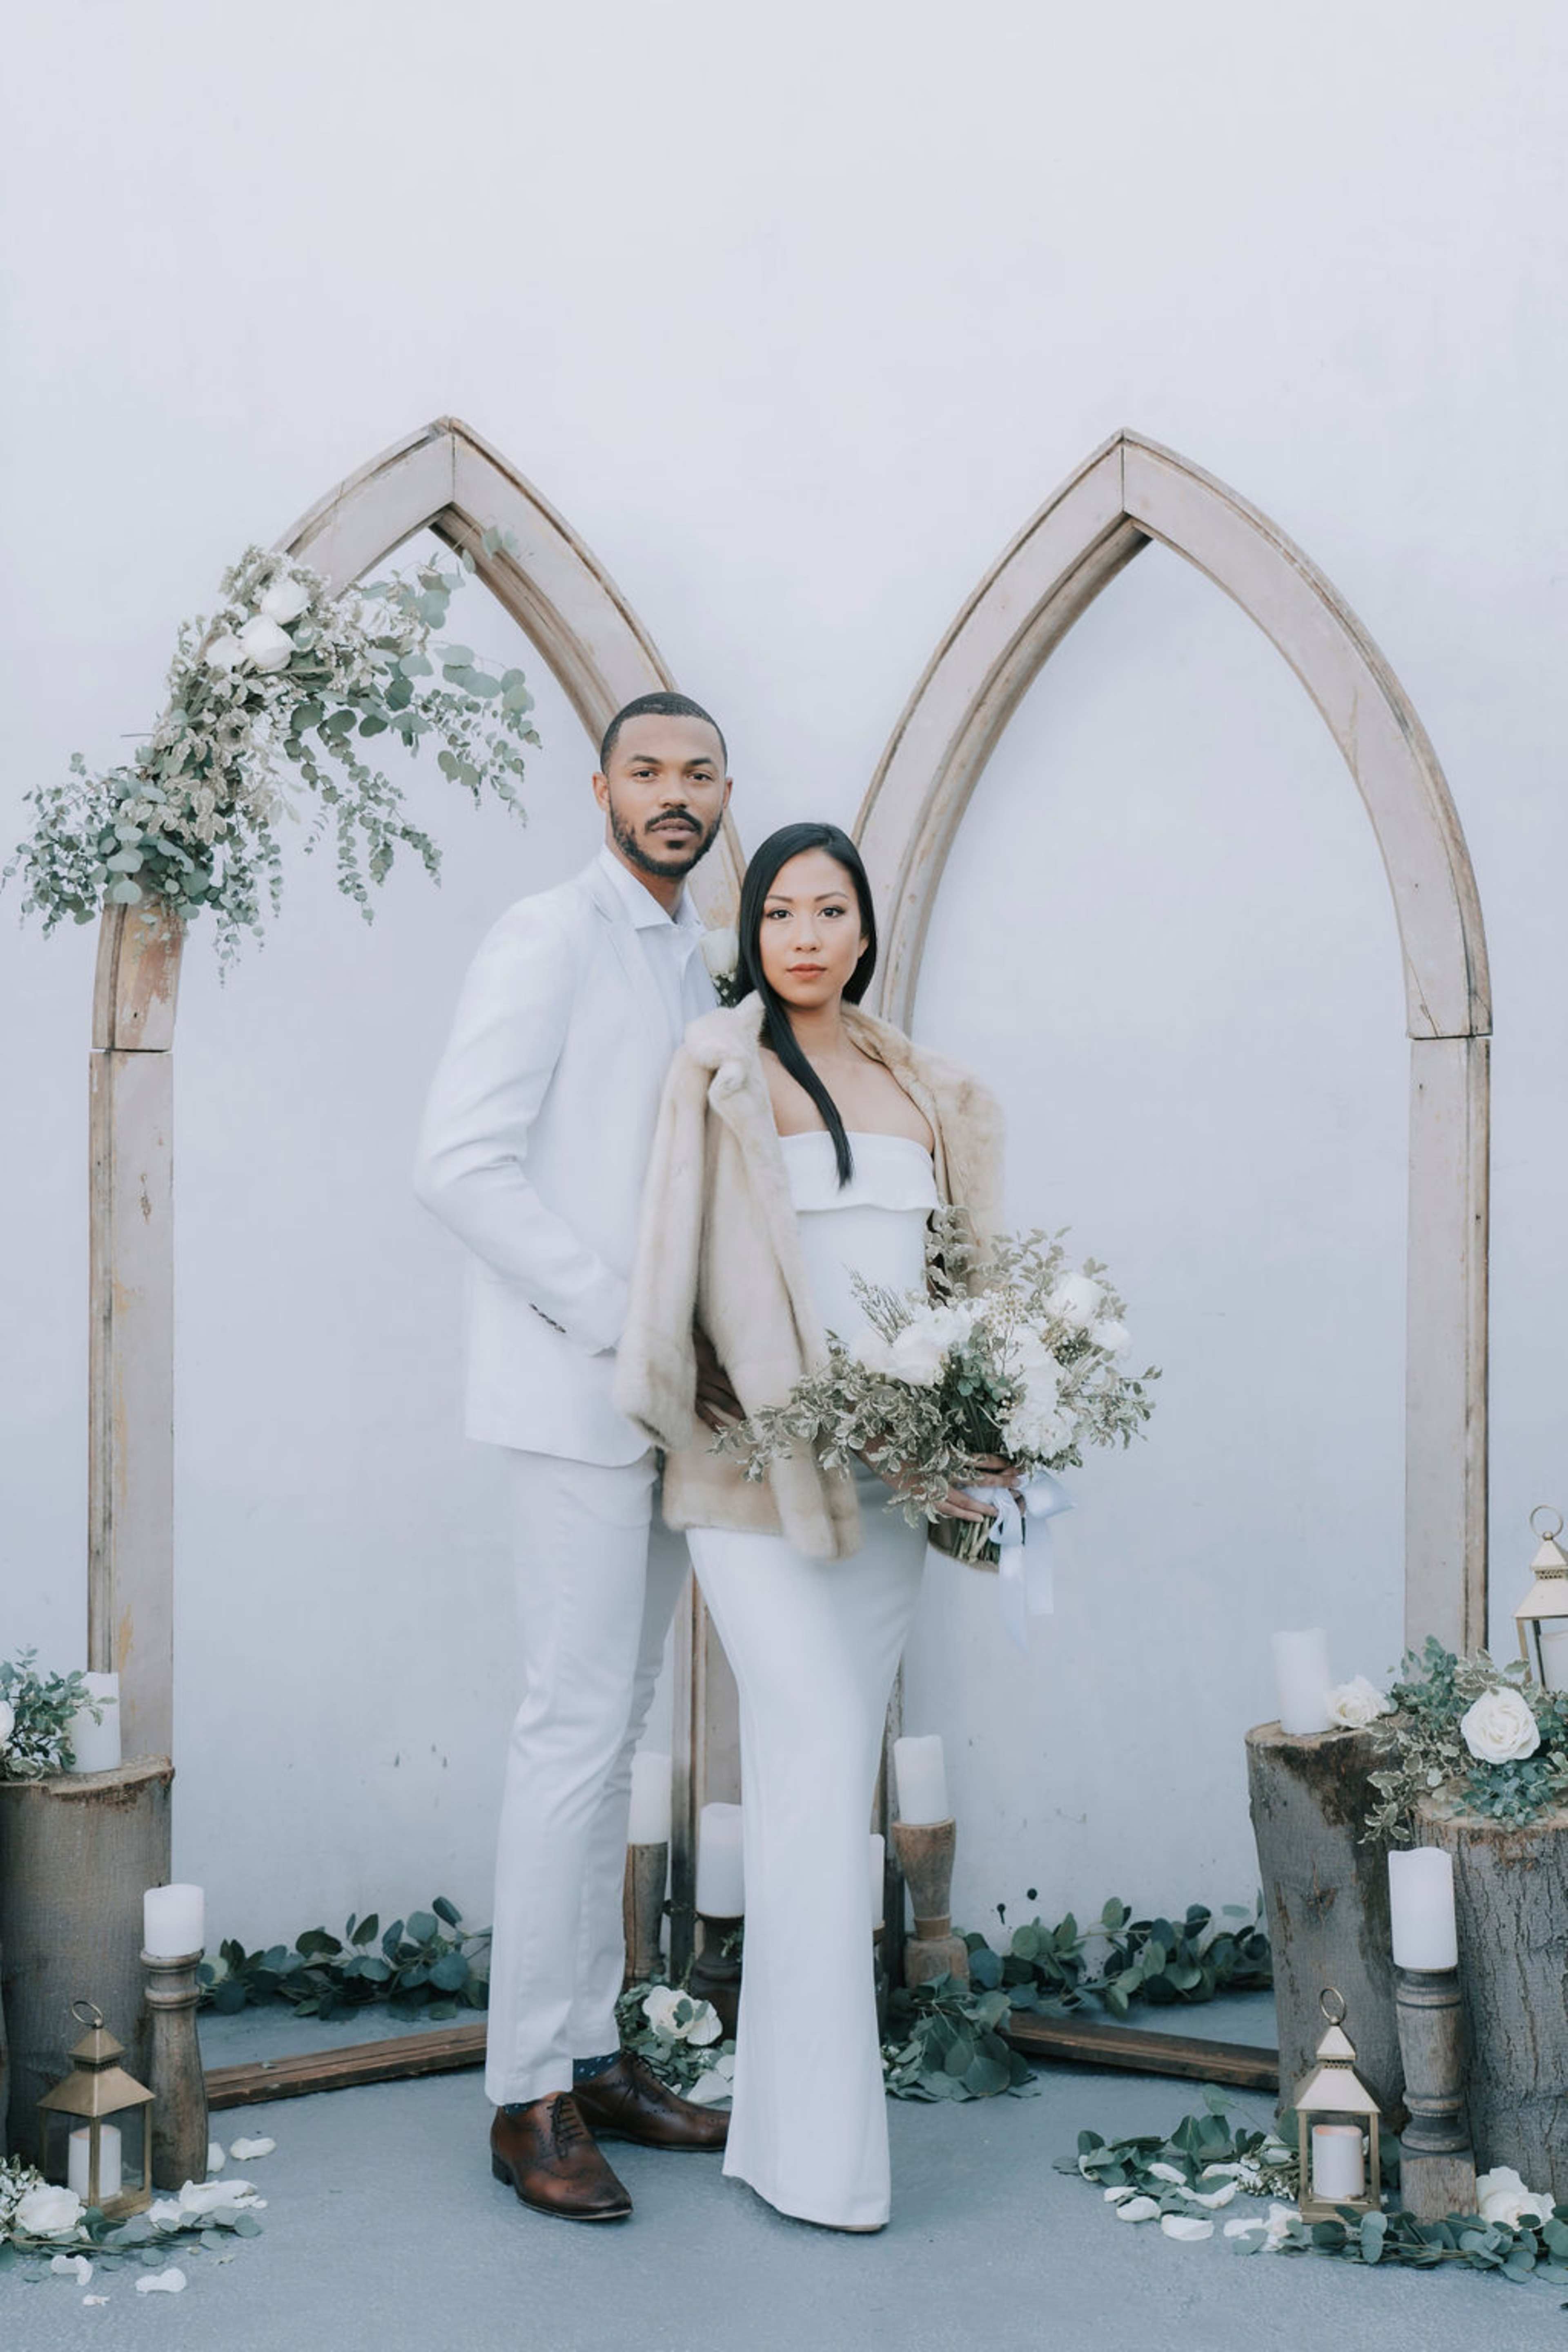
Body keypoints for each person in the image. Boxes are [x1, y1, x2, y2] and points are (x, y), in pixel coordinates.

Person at [614, 821, 1007, 2231]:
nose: (804, 934)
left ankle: (780, 2138)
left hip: (892, 1496)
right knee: (825, 1758)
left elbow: (966, 1286)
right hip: (748, 1476)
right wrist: (690, 1396)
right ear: (753, 930)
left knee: (806, 1788)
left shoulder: (930, 1086)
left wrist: (992, 1429)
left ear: (863, 932)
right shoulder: (716, 1071)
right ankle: (834, 2164)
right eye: (780, 909)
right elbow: (673, 1254)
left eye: (829, 910)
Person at [413, 691, 739, 2223]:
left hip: (670, 1407)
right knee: (567, 1733)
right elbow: (458, 1162)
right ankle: (523, 2097)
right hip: (571, 1395)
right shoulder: (548, 935)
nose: (674, 795)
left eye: (699, 774)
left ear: (724, 793)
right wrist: (621, 1322)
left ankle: (594, 2050)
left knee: (615, 1738)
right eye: (648, 771)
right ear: (598, 785)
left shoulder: (694, 959)